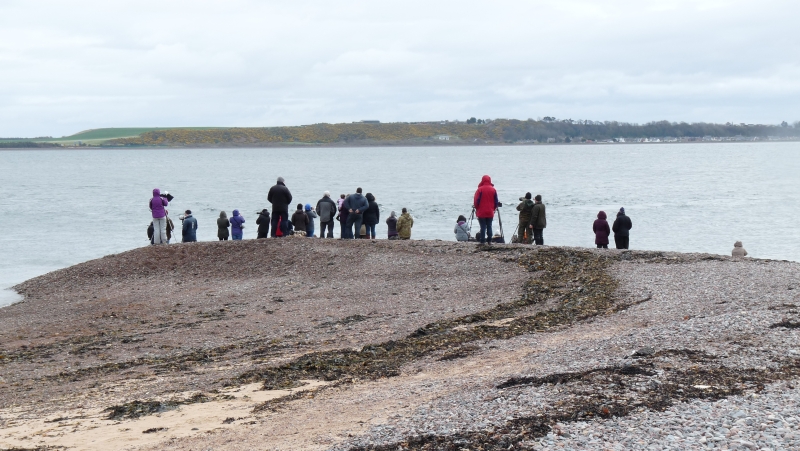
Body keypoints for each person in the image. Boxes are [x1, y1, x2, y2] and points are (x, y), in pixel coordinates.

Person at [473, 175, 498, 244]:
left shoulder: (480, 189)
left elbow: (476, 201)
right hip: (490, 211)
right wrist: (493, 209)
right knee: (489, 225)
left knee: (483, 226)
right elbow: (496, 202)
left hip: (481, 211)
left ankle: (482, 240)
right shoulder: (493, 190)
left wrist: (477, 208)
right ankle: (489, 240)